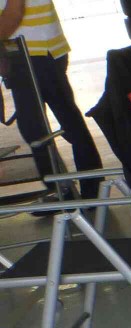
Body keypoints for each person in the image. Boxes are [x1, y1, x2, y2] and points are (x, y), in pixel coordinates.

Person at [0, 0, 102, 199]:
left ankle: (74, 189)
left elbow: (14, 13)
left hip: (36, 52)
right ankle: (79, 187)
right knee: (52, 123)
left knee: (37, 127)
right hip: (32, 51)